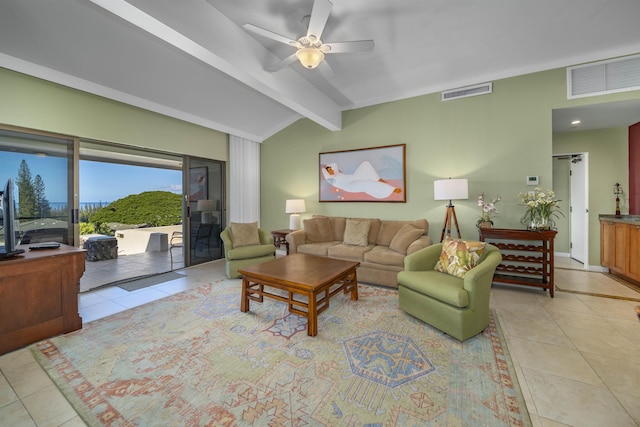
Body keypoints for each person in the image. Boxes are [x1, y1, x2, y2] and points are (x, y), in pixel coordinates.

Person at [322, 161, 402, 199]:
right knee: (367, 183)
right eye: (329, 171)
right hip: (350, 186)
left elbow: (334, 164)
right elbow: (326, 173)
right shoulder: (331, 180)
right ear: (327, 173)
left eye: (331, 169)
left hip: (354, 177)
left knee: (365, 164)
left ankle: (379, 179)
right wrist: (326, 169)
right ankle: (392, 189)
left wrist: (328, 167)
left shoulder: (336, 173)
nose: (331, 171)